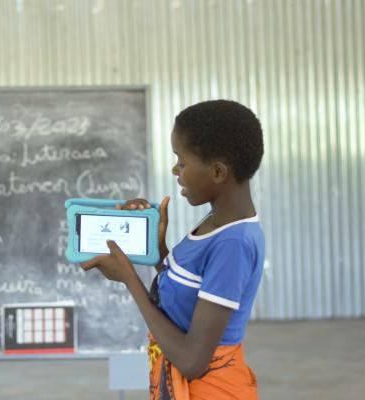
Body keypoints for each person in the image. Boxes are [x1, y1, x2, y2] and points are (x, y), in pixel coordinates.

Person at [81, 100, 265, 399]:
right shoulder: (215, 222)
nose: (175, 169)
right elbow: (189, 297)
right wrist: (159, 253)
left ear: (218, 172)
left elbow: (192, 361)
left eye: (182, 161)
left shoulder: (233, 244)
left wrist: (130, 279)